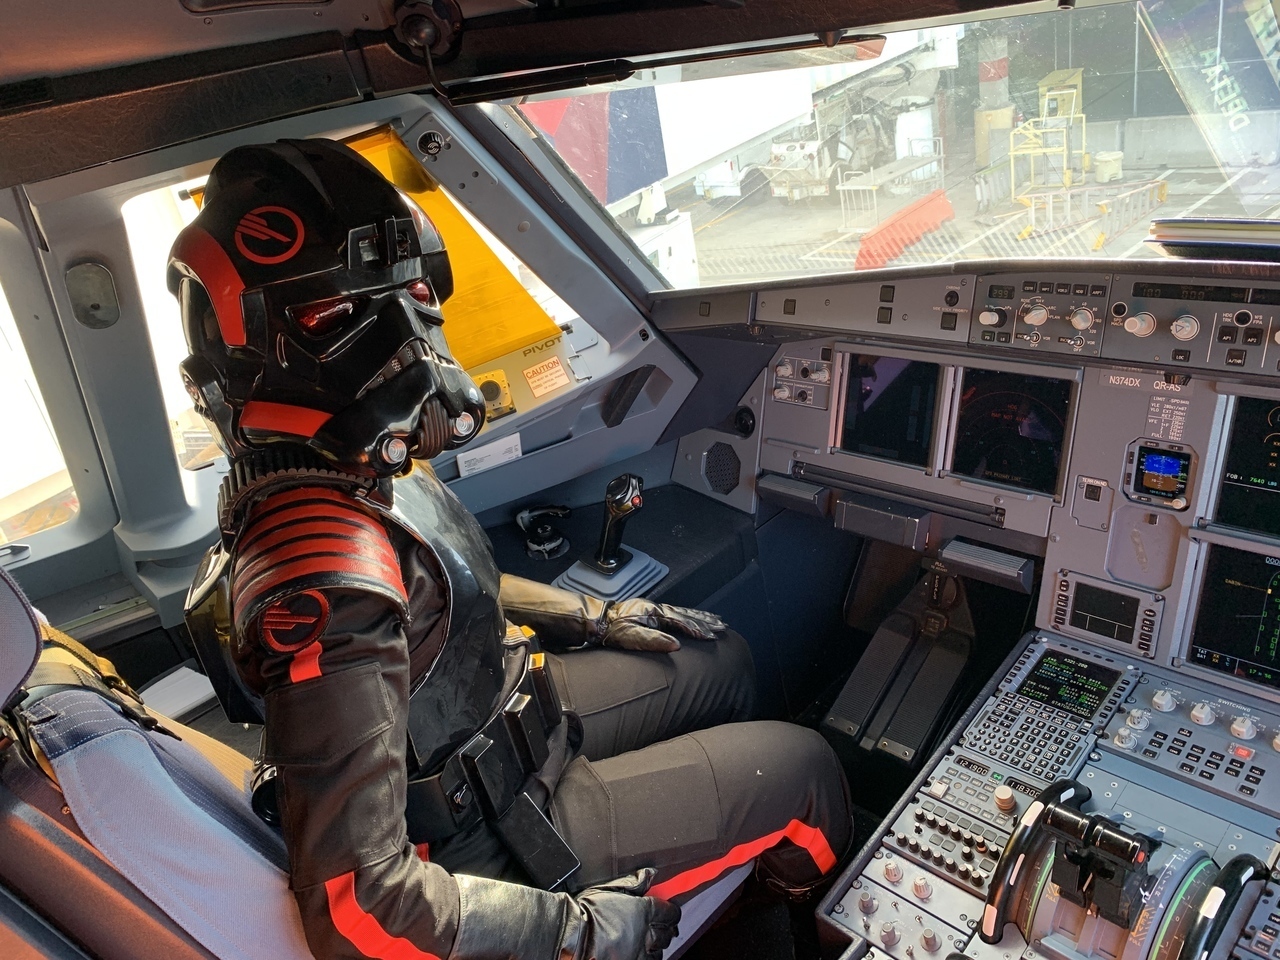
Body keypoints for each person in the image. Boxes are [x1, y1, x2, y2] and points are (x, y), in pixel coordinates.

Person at [172, 137, 852, 960]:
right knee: (807, 771)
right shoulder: (322, 572)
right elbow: (358, 911)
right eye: (339, 317)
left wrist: (594, 615)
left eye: (413, 297)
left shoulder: (349, 468)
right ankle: (777, 923)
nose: (410, 342)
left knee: (725, 657)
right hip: (487, 837)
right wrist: (578, 934)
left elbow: (454, 588)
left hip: (509, 721)